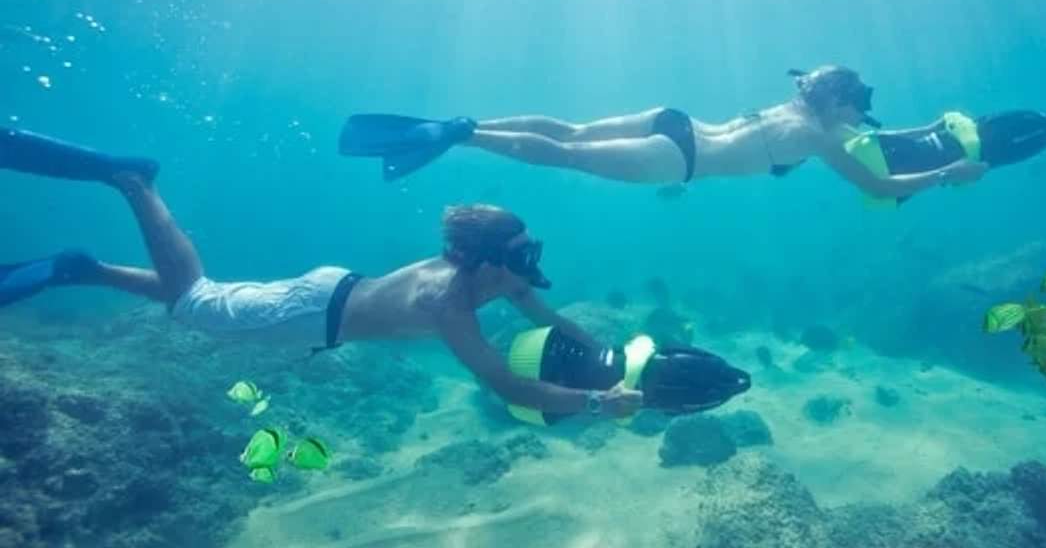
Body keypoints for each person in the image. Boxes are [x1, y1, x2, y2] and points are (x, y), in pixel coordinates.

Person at [0, 129, 643, 420]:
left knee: (200, 300)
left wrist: (605, 354)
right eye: (521, 251)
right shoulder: (451, 302)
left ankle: (82, 270)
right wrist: (596, 403)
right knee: (198, 303)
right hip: (314, 314)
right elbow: (508, 385)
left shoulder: (503, 279)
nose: (531, 262)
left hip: (334, 290)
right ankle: (134, 182)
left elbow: (552, 320)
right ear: (486, 258)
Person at [339, 65, 990, 200]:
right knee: (567, 155)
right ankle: (461, 138)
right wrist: (945, 170)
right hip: (676, 159)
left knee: (568, 130)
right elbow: (877, 179)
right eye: (861, 103)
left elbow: (877, 139)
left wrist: (930, 127)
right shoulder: (820, 139)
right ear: (840, 101)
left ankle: (467, 123)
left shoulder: (799, 114)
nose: (864, 114)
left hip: (673, 120)